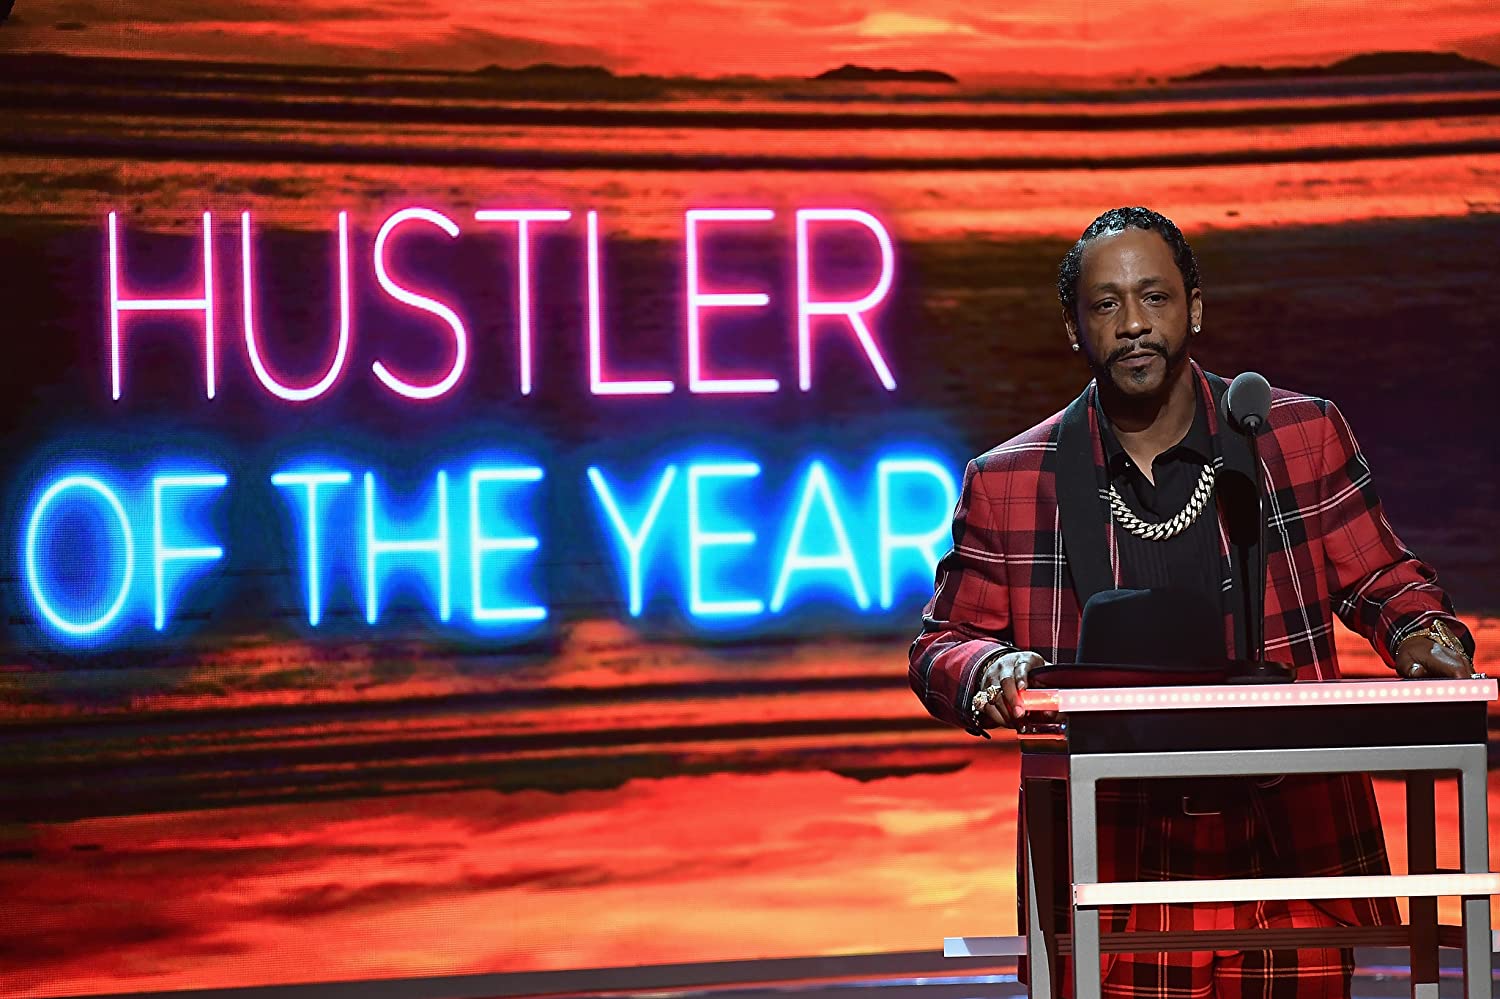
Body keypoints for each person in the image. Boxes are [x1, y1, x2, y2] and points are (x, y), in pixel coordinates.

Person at [908, 206, 1477, 999]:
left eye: (1155, 297)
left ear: (1195, 308)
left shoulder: (1295, 436)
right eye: (1106, 304)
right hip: (1117, 869)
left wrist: (1424, 633)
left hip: (1289, 857)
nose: (1134, 323)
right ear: (1074, 327)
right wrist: (989, 670)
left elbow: (1388, 583)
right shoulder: (1010, 479)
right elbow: (942, 644)